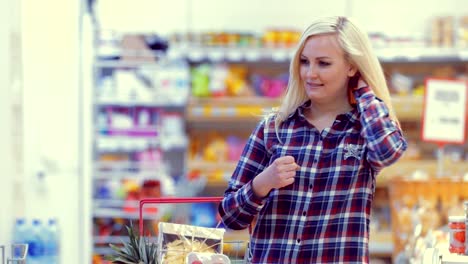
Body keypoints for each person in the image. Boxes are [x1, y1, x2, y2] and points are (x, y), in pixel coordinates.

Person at [218, 16, 407, 263]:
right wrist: (263, 183)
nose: (310, 73)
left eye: (324, 63)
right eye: (305, 62)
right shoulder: (274, 128)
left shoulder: (364, 130)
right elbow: (230, 217)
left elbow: (388, 152)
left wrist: (363, 91)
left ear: (352, 67)